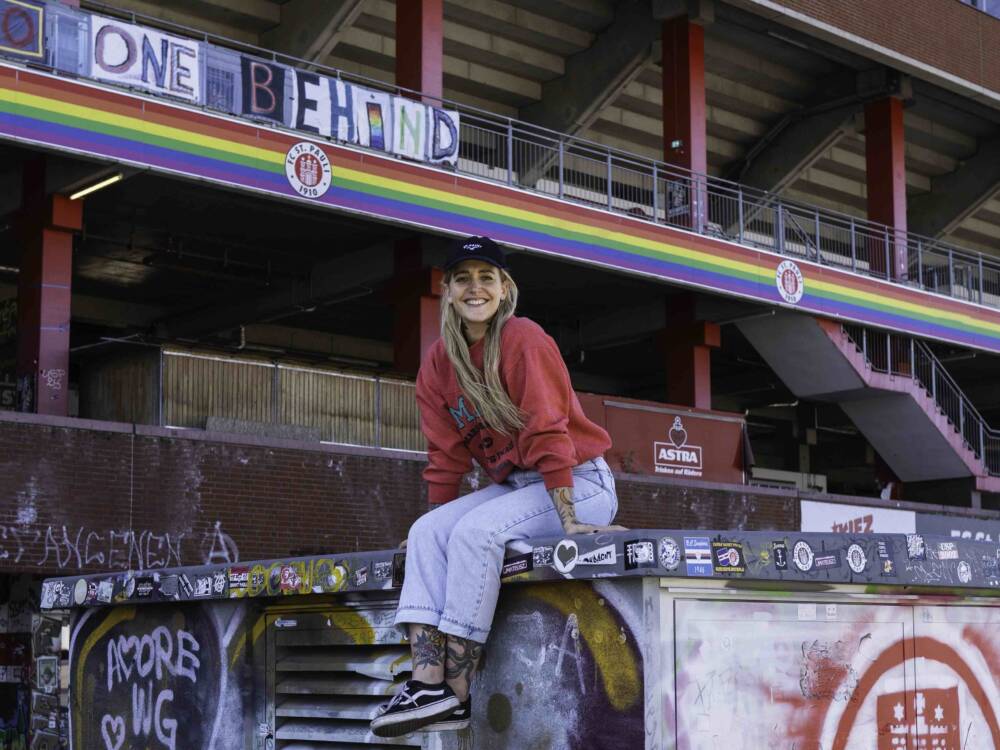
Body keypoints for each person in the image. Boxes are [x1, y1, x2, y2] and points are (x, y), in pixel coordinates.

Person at [370, 235, 625, 738]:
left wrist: (571, 519)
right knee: (427, 533)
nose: (475, 287)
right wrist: (433, 523)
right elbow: (445, 458)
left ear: (505, 289)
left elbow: (549, 431)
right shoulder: (438, 365)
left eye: (487, 277)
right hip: (516, 490)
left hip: (578, 480)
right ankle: (427, 683)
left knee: (476, 534)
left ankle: (457, 693)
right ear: (448, 291)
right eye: (463, 278)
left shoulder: (523, 338)